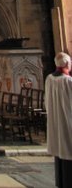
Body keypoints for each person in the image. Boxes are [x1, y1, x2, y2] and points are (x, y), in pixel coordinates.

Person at [44, 51, 72, 188]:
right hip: (68, 122)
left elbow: (46, 102)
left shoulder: (49, 79)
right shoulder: (68, 81)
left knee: (60, 152)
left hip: (56, 121)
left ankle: (61, 182)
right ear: (67, 63)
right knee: (67, 150)